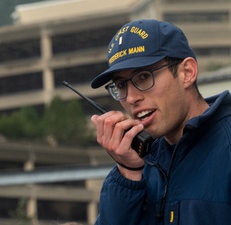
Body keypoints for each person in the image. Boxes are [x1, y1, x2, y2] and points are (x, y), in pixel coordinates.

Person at [90, 19, 231, 225]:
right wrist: (128, 174)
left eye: (144, 77)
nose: (130, 98)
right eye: (121, 85)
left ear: (187, 73)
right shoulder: (138, 163)